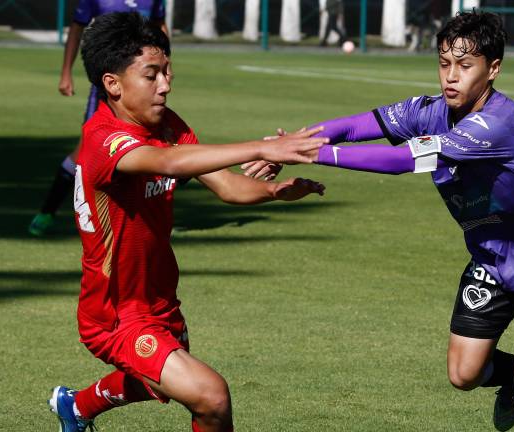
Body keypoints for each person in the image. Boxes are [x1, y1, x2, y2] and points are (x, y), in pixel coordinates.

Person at [246, 10, 514, 432]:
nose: (451, 76)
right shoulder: (428, 111)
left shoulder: (498, 125)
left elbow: (400, 160)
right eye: (445, 64)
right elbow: (359, 126)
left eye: (465, 66)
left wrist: (303, 154)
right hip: (493, 258)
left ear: (493, 69)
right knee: (464, 375)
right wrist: (292, 141)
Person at [49, 12, 327, 432]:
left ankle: (77, 407)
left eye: (167, 72)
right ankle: (78, 407)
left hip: (160, 298)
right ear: (113, 84)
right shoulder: (103, 139)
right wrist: (264, 147)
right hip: (115, 314)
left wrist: (273, 191)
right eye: (152, 75)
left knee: (163, 382)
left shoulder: (167, 124)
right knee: (210, 395)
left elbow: (229, 187)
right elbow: (168, 161)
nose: (166, 84)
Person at [29, 0, 169, 236]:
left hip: (143, 88)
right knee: (85, 153)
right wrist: (66, 72)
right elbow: (77, 29)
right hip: (107, 92)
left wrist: (164, 68)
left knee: (149, 147)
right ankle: (48, 211)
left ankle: (146, 218)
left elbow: (160, 28)